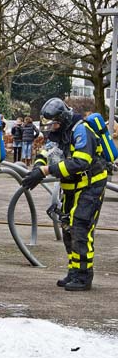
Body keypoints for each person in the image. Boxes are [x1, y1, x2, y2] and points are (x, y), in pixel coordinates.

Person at [22, 98, 108, 291]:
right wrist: (37, 169)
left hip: (90, 186)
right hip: (70, 187)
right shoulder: (59, 133)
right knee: (68, 228)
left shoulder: (81, 131)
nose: (52, 128)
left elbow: (81, 162)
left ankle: (84, 275)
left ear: (64, 118)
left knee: (81, 227)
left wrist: (46, 171)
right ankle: (74, 271)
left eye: (55, 124)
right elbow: (46, 153)